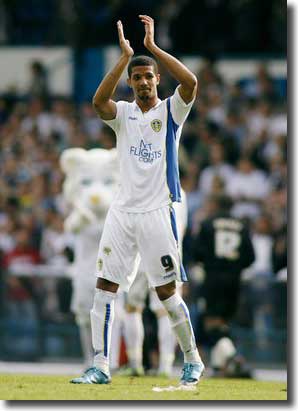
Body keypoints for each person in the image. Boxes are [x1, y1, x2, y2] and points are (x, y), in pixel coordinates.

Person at [71, 15, 204, 386]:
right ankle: (100, 365)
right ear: (130, 82)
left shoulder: (171, 112)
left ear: (158, 79)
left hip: (158, 212)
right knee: (104, 288)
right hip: (122, 213)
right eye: (137, 77)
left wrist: (152, 49)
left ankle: (192, 359)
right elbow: (99, 102)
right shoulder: (124, 114)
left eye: (149, 76)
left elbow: (191, 82)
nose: (144, 81)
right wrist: (124, 56)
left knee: (166, 294)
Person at [120, 190, 188, 377]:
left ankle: (135, 364)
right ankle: (166, 366)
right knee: (166, 310)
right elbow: (182, 227)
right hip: (170, 254)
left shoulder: (140, 185)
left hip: (140, 255)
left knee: (133, 308)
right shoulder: (179, 192)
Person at [192, 194, 255, 377]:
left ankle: (233, 357)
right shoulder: (242, 226)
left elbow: (197, 252)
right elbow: (250, 257)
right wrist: (234, 267)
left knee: (211, 323)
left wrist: (212, 264)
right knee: (223, 323)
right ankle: (219, 367)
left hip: (213, 277)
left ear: (216, 204)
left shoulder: (208, 223)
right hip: (234, 280)